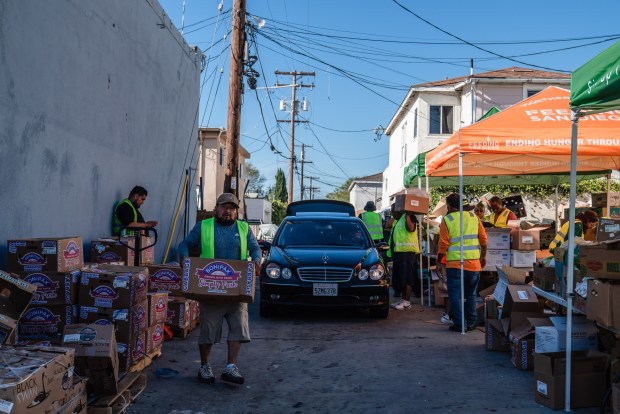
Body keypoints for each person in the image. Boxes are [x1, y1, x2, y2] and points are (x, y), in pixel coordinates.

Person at [178, 193, 261, 385]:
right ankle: (205, 366)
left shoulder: (244, 228)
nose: (228, 211)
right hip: (211, 291)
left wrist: (257, 260)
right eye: (224, 207)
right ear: (217, 208)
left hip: (237, 291)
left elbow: (255, 249)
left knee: (238, 329)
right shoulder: (204, 226)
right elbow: (185, 244)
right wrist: (184, 259)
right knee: (208, 331)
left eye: (232, 208)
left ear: (236, 211)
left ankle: (231, 367)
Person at [436, 193, 487, 332]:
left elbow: (443, 244)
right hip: (474, 264)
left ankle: (459, 324)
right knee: (471, 295)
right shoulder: (474, 217)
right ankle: (471, 323)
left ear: (449, 206)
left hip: (455, 265)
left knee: (456, 295)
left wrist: (439, 263)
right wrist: (483, 256)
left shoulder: (447, 220)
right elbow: (483, 239)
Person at [390, 211, 420, 310]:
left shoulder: (410, 217)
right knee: (401, 279)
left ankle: (406, 302)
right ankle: (403, 300)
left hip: (408, 253)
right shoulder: (398, 220)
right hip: (399, 253)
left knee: (408, 278)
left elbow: (411, 228)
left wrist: (407, 215)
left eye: (394, 209)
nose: (392, 212)